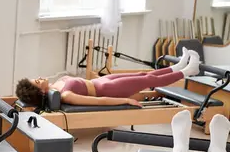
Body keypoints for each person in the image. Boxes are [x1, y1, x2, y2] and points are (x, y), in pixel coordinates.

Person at [16, 48, 202, 108]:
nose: (40, 77)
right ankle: (188, 71)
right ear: (41, 91)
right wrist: (126, 100)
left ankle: (178, 66)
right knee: (147, 81)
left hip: (101, 82)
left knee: (142, 75)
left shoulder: (57, 85)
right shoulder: (65, 96)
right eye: (38, 81)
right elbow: (98, 101)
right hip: (107, 89)